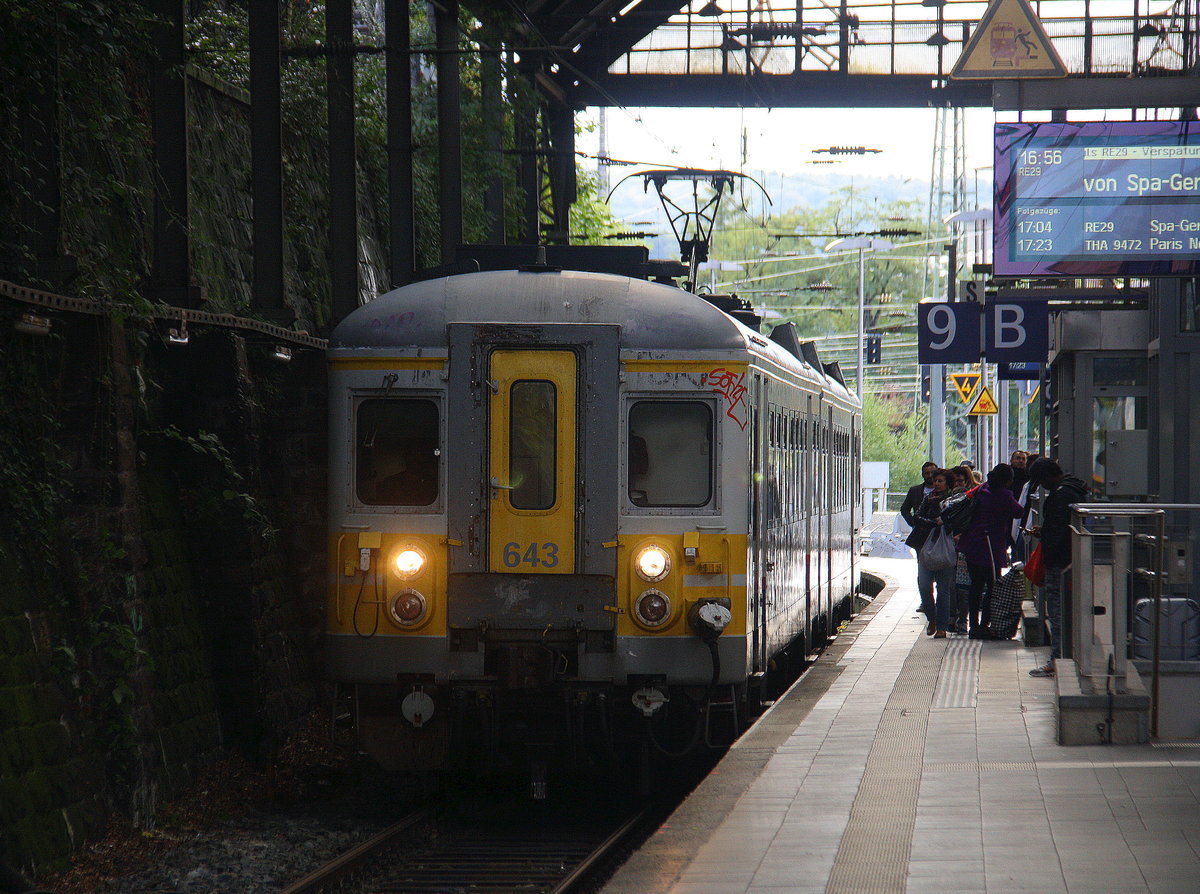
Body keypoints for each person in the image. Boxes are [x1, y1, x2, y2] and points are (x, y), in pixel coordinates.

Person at [1026, 459, 1088, 677]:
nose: (1041, 486)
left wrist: (1047, 544)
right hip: (1070, 560)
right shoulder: (1074, 489)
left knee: (1058, 610)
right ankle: (1062, 656)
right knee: (1064, 610)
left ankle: (1058, 658)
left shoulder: (1061, 495)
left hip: (1061, 563)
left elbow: (1058, 532)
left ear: (1047, 476)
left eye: (1041, 481)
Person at [955, 463, 1024, 639]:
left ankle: (974, 626)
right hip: (990, 547)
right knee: (992, 587)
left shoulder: (982, 489)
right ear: (1008, 480)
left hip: (971, 544)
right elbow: (1019, 512)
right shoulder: (1004, 495)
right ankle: (985, 624)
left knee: (975, 587)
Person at [905, 468, 957, 637]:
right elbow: (917, 517)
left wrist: (940, 522)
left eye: (941, 481)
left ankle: (942, 627)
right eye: (936, 481)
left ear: (948, 484)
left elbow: (956, 521)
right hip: (925, 547)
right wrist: (935, 523)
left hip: (945, 547)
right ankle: (931, 617)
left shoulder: (954, 501)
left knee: (944, 589)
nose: (937, 484)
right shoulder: (928, 499)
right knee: (924, 585)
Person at [900, 461, 938, 530]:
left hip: (937, 530)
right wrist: (913, 523)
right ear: (922, 474)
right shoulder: (914, 490)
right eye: (927, 473)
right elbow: (904, 509)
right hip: (919, 530)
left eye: (932, 473)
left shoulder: (944, 491)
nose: (930, 475)